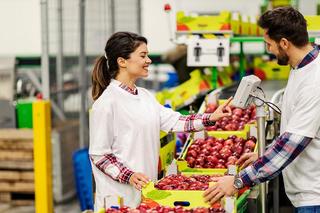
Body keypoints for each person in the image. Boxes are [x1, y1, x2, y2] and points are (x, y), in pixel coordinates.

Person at [89, 31, 233, 209]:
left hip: (147, 194)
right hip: (118, 199)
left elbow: (174, 121)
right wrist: (129, 175)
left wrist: (211, 117)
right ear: (122, 61)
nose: (148, 60)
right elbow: (99, 154)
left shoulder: (145, 96)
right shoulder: (106, 103)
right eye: (143, 55)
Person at [203, 6, 320, 212]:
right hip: (304, 189)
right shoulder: (300, 66)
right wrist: (264, 154)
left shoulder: (314, 81)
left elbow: (293, 142)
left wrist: (238, 181)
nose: (268, 50)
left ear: (284, 43)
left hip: (314, 196)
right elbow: (292, 129)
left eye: (269, 44)